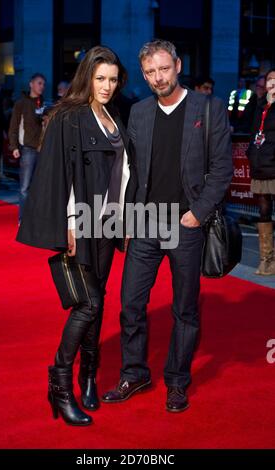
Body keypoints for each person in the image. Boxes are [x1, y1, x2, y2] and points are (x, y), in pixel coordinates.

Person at [102, 39, 232, 413]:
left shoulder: (208, 108)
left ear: (176, 64)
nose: (158, 77)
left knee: (185, 309)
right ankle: (135, 372)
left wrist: (198, 213)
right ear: (143, 75)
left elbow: (223, 169)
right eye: (150, 72)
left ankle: (177, 381)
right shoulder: (140, 112)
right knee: (131, 304)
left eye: (163, 68)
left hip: (186, 225)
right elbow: (133, 171)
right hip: (144, 223)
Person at [16, 46, 137, 426]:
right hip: (81, 223)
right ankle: (60, 383)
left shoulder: (115, 114)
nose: (107, 85)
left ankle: (89, 377)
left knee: (97, 302)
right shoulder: (69, 116)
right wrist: (69, 223)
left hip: (109, 223)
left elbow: (125, 171)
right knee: (88, 304)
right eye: (100, 78)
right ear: (87, 77)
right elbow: (63, 174)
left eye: (113, 79)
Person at [246, 69, 275, 275]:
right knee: (263, 211)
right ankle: (267, 259)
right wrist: (263, 102)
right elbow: (252, 126)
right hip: (261, 164)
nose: (272, 84)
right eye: (270, 80)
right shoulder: (260, 104)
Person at [8, 73, 46, 224]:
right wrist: (14, 146)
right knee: (24, 187)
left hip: (42, 149)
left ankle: (37, 217)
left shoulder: (44, 103)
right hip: (28, 149)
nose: (41, 86)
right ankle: (23, 218)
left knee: (40, 186)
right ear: (31, 84)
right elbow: (13, 126)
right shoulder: (21, 103)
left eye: (43, 84)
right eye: (39, 83)